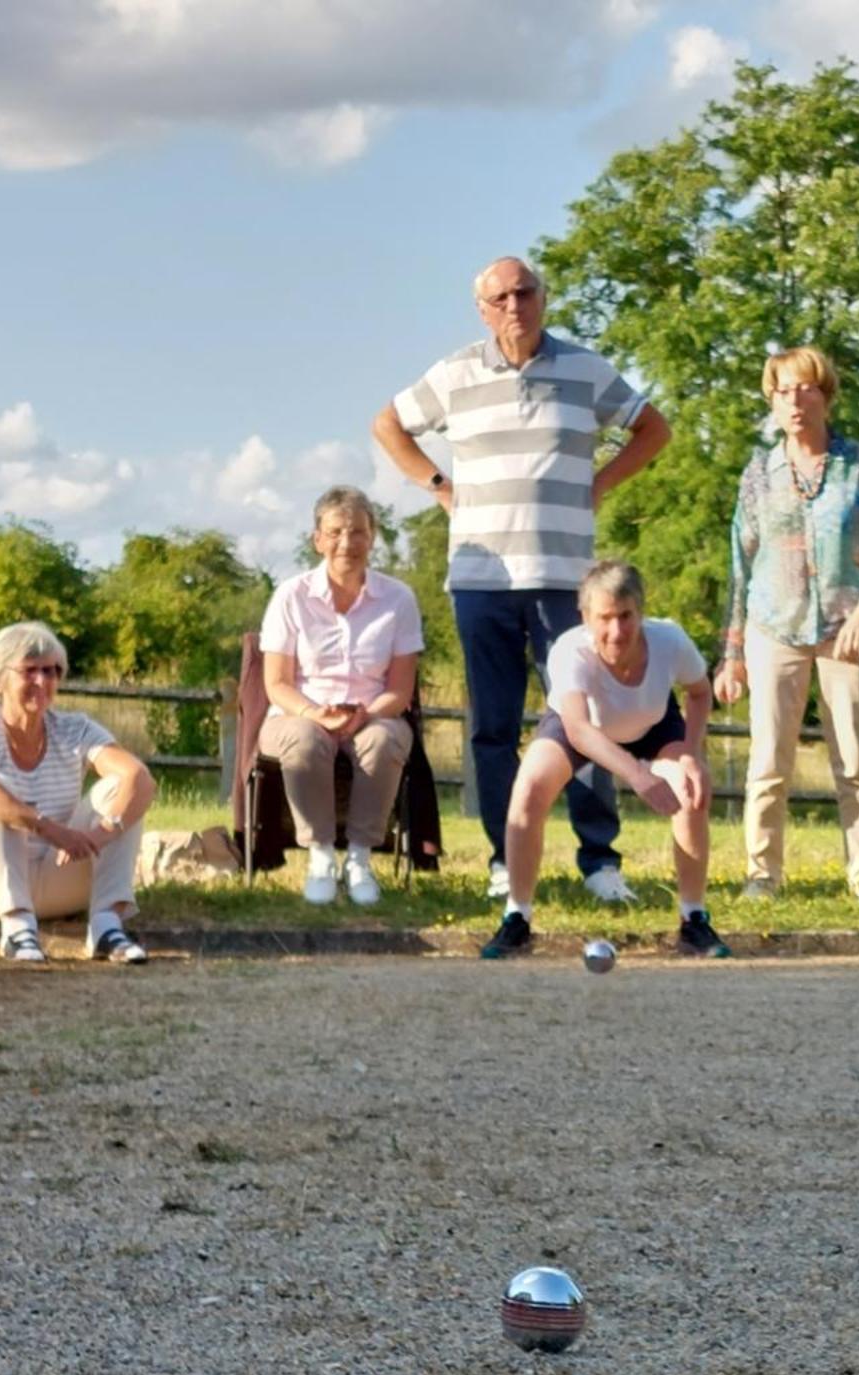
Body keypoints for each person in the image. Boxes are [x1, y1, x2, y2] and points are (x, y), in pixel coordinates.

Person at [372, 256, 671, 906]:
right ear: (482, 309)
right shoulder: (455, 373)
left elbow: (654, 428)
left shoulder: (585, 370)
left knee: (587, 718)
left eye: (524, 292)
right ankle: (507, 859)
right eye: (500, 297)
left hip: (569, 581)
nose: (514, 305)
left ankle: (600, 862)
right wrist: (439, 487)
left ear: (543, 298)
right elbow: (387, 424)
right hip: (482, 580)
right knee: (493, 726)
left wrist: (602, 483)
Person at [714, 345, 859, 907]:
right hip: (774, 628)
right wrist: (732, 653)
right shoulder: (759, 473)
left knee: (854, 761)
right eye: (782, 391)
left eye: (806, 389)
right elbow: (739, 564)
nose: (795, 401)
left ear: (826, 395)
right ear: (770, 402)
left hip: (847, 630)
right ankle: (762, 876)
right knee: (769, 762)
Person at [481, 561, 729, 960]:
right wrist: (638, 775)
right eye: (605, 618)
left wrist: (691, 753)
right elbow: (578, 730)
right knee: (528, 787)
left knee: (690, 787)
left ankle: (693, 919)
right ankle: (517, 917)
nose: (616, 632)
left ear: (641, 612)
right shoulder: (569, 651)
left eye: (626, 616)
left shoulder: (670, 640)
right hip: (583, 727)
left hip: (652, 722)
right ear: (585, 617)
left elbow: (699, 693)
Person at [0, 621, 155, 965]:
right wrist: (49, 828)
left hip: (55, 878)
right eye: (29, 671)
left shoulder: (75, 729)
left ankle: (106, 926)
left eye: (52, 671)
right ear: (0, 680)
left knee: (122, 789)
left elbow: (139, 777)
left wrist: (102, 834)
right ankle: (16, 928)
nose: (42, 682)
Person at [257, 486, 423, 906]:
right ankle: (321, 857)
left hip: (375, 713)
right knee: (305, 739)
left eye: (358, 532)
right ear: (317, 539)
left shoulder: (398, 599)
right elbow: (276, 683)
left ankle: (361, 860)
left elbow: (401, 690)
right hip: (298, 713)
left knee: (384, 739)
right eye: (335, 532)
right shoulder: (291, 595)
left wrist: (363, 715)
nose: (346, 543)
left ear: (373, 538)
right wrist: (316, 713)